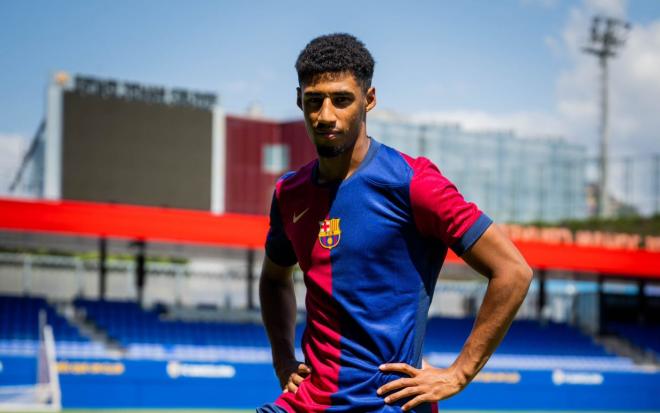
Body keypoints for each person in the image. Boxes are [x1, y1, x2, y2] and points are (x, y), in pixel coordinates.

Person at [257, 33, 532, 413]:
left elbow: (513, 271)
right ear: (299, 101)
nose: (325, 115)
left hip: (386, 405)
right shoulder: (289, 193)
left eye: (341, 100)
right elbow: (274, 280)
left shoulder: (413, 183)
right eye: (313, 101)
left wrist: (458, 374)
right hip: (307, 404)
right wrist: (283, 360)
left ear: (369, 100)